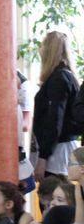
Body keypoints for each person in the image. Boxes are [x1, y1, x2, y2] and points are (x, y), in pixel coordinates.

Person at [32, 30, 80, 181]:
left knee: (54, 193)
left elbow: (54, 120)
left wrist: (43, 157)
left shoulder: (58, 79)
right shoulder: (67, 76)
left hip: (57, 152)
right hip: (61, 148)